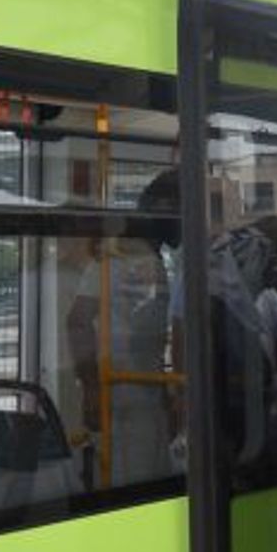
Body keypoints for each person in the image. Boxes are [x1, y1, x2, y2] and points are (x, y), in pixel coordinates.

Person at [66, 169, 179, 487]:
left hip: (147, 390)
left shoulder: (150, 258)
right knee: (135, 486)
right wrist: (92, 388)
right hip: (121, 393)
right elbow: (77, 321)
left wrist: (164, 389)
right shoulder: (114, 259)